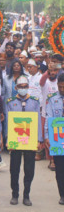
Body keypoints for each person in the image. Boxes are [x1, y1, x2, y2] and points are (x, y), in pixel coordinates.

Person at [6, 75, 42, 206]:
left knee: (29, 169)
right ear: (16, 88)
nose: (22, 89)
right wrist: (8, 140)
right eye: (20, 87)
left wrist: (38, 139)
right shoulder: (10, 102)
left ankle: (26, 194)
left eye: (25, 87)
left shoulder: (34, 102)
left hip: (30, 139)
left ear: (28, 87)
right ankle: (14, 194)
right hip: (15, 139)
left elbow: (38, 121)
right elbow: (8, 123)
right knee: (14, 169)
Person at [44, 73, 64, 205]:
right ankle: (62, 194)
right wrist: (46, 136)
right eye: (59, 86)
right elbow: (48, 118)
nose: (61, 89)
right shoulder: (52, 99)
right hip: (58, 138)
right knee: (60, 169)